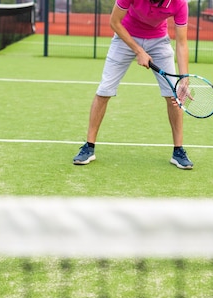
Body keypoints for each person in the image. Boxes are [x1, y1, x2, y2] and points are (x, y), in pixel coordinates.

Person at [72, 0, 194, 170]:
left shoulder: (179, 3)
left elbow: (182, 42)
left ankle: (178, 151)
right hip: (125, 36)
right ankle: (89, 147)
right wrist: (139, 51)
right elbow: (114, 22)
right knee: (104, 90)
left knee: (174, 95)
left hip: (159, 41)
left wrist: (184, 79)